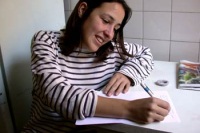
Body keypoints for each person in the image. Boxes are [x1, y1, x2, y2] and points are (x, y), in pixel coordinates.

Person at [22, 0, 170, 132]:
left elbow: (145, 53)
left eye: (116, 28)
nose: (110, 34)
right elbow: (58, 94)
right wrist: (129, 109)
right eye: (106, 21)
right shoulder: (46, 41)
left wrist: (127, 73)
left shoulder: (113, 49)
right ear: (82, 9)